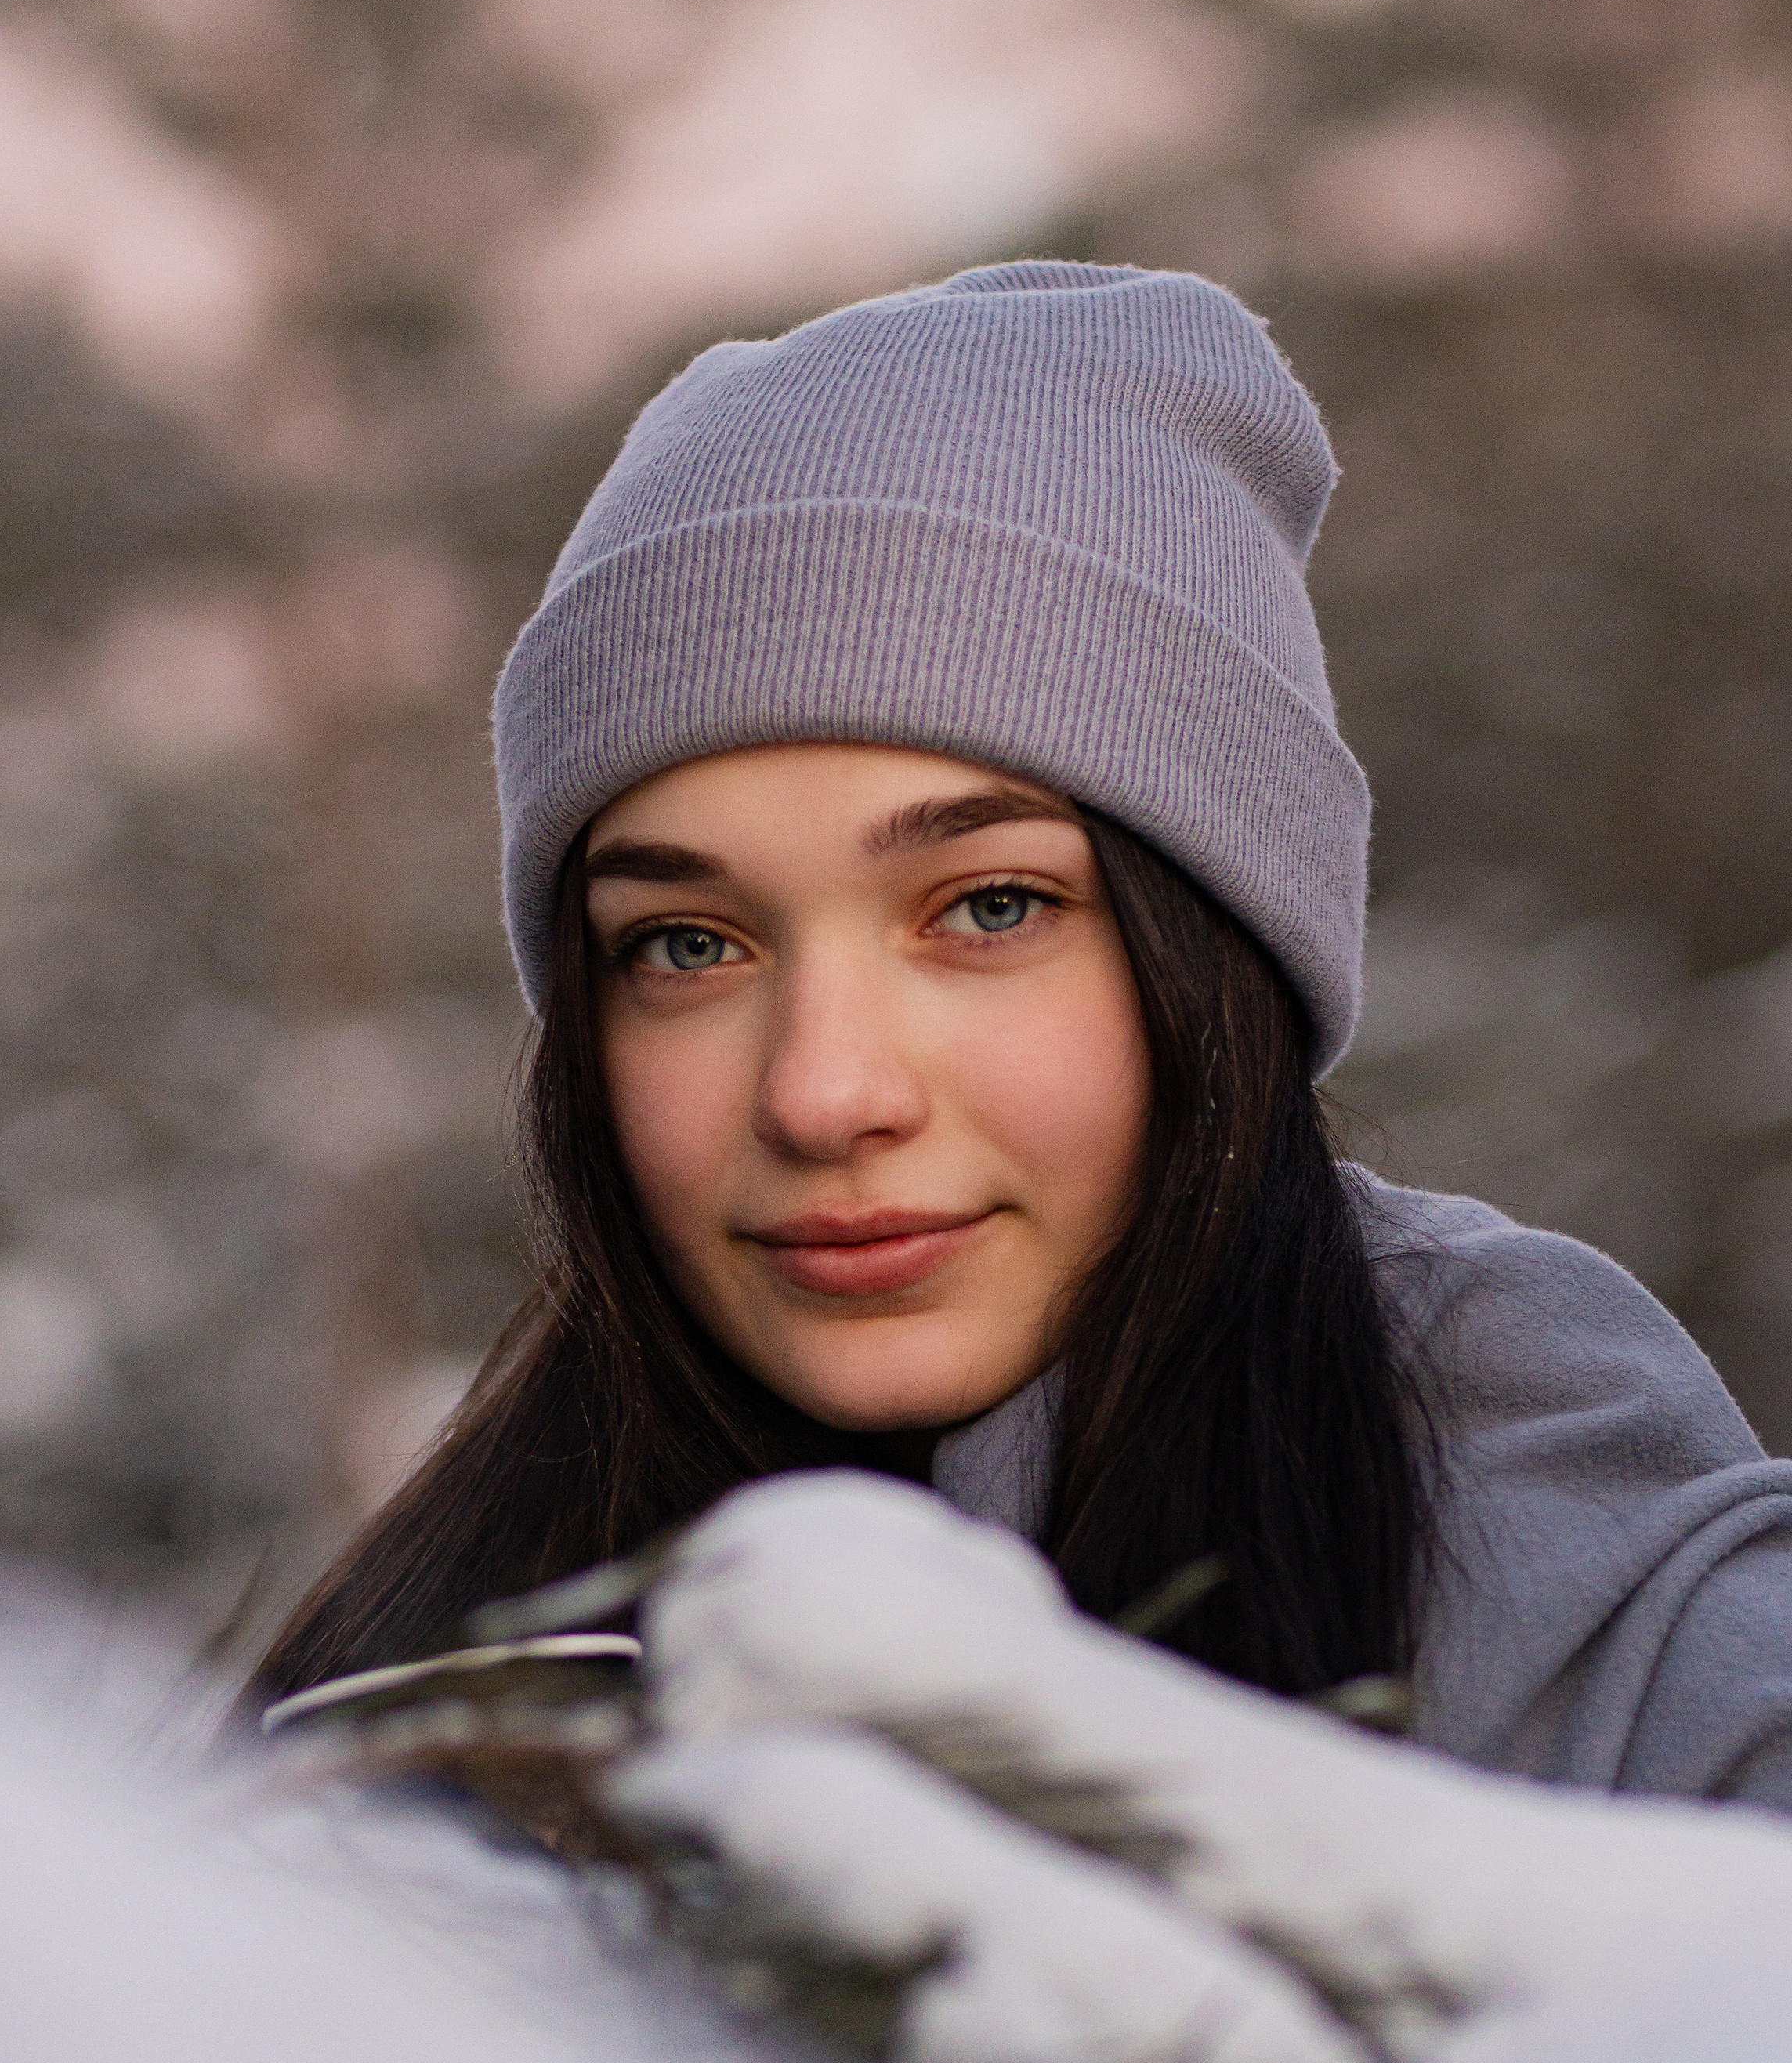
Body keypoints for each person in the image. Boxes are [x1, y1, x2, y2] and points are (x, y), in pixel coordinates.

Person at [255, 259, 1792, 1808]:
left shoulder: (1567, 1547)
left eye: (986, 909)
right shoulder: (442, 1664)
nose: (822, 1092)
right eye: (686, 945)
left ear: (1213, 947)